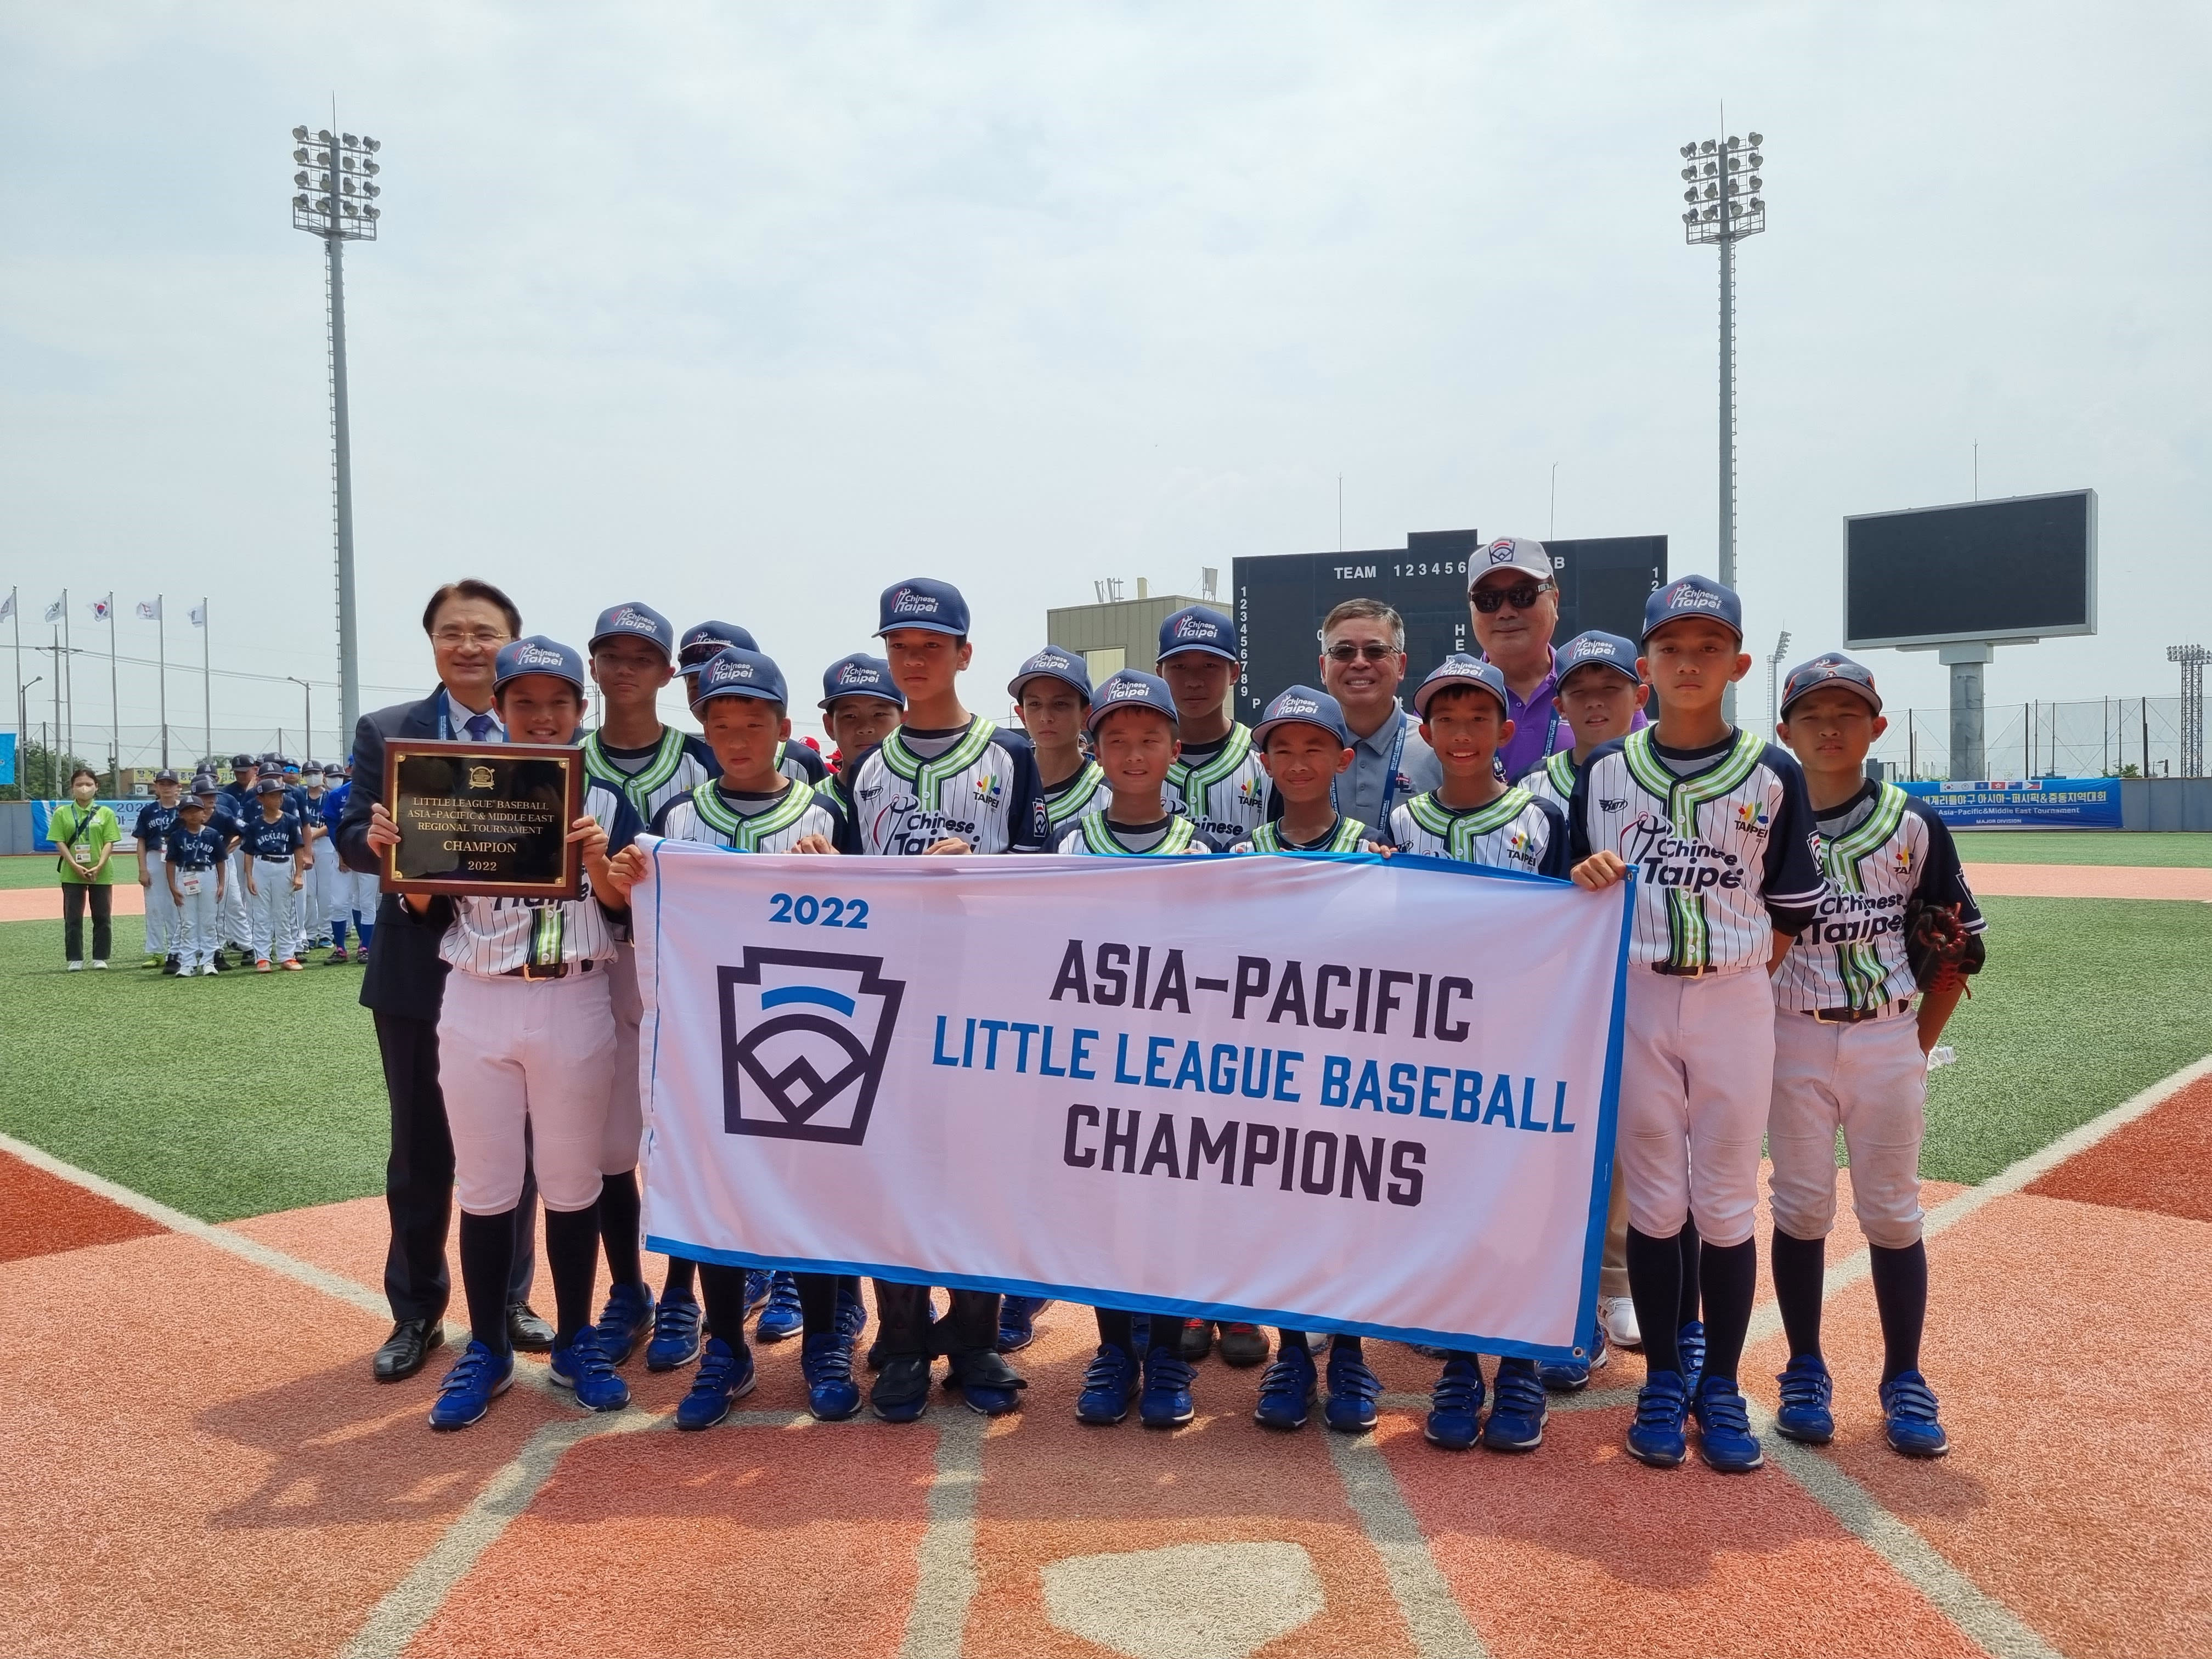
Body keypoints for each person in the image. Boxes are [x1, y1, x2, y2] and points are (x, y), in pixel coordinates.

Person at [1567, 575, 1827, 1474]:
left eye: (1707, 647)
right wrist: (1588, 878)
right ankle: (1664, 1377)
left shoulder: (1773, 771)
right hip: (1635, 992)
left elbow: (1789, 905)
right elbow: (1570, 898)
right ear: (1644, 667)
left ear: (1737, 663)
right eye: (1671, 648)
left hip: (1732, 994)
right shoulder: (1601, 771)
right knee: (1656, 1198)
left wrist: (1738, 968)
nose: (1688, 662)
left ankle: (1719, 1379)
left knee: (1721, 1198)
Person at [362, 636, 645, 1431]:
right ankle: (485, 1347)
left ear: (581, 710)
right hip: (478, 997)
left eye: (559, 702)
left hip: (574, 996)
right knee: (486, 1188)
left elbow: (623, 917)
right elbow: (427, 913)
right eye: (526, 702)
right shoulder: (451, 787)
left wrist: (597, 865)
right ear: (501, 708)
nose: (544, 715)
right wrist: (400, 859)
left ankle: (580, 1341)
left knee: (571, 1183)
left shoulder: (608, 799)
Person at [608, 644, 871, 1427]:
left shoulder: (826, 810)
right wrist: (625, 884)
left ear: (783, 726)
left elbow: (870, 924)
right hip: (708, 1032)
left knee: (815, 1186)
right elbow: (642, 921)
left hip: (811, 1023)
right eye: (719, 723)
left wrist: (840, 875)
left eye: (751, 721)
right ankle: (726, 1345)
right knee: (715, 1186)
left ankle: (827, 1335)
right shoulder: (679, 818)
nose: (735, 736)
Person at [1768, 653, 1982, 1459]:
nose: (1831, 727)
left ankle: (1904, 1378)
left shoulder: (1915, 821)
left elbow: (1962, 947)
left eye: (1848, 713)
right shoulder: (1767, 817)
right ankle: (1804, 1368)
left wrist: (1912, 1047)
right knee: (1799, 1207)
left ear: (1877, 727)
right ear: (1784, 731)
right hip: (1791, 1030)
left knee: (1893, 1210)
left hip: (1886, 1030)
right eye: (1814, 714)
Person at [337, 579, 550, 1385]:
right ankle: (417, 1310)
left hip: (518, 970)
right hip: (418, 974)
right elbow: (353, 834)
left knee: (516, 1149)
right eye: (452, 632)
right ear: (432, 643)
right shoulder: (389, 732)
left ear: (512, 642)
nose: (468, 646)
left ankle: (508, 1304)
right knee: (421, 1151)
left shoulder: (543, 725)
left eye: (484, 633)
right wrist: (381, 840)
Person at [842, 576, 1043, 1423]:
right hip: (890, 1004)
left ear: (964, 654)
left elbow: (1043, 872)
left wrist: (984, 868)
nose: (914, 661)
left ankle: (975, 1338)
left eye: (931, 647)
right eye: (900, 647)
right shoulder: (863, 769)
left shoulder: (1013, 756)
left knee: (978, 1176)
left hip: (984, 1002)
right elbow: (848, 893)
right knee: (895, 1174)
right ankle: (900, 1335)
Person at [1365, 656, 1573, 1452]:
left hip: (1525, 1044)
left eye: (1477, 719)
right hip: (1436, 1048)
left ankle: (1518, 1365)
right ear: (1426, 732)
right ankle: (1459, 1360)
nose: (1461, 733)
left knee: (1520, 1207)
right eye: (1446, 721)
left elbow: (1573, 938)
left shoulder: (1545, 819)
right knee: (1447, 1202)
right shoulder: (1406, 825)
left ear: (1504, 729)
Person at [1052, 670, 1219, 1431]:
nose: (1132, 752)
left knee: (1172, 1208)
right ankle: (1116, 1347)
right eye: (1116, 740)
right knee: (1104, 1210)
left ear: (1174, 750)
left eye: (1149, 738)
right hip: (1094, 1056)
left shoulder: (1209, 849)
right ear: (1094, 751)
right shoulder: (1069, 844)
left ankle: (1168, 1355)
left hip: (1178, 1063)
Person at [1221, 686, 1381, 1431]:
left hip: (1348, 1066)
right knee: (1277, 1212)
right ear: (1263, 762)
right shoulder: (1243, 857)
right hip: (1269, 1070)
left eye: (1314, 746)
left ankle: (1349, 1352)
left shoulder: (1373, 850)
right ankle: (1292, 1352)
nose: (1297, 761)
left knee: (1348, 1212)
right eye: (1281, 748)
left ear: (1343, 758)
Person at [574, 602, 728, 1372]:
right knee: (609, 1149)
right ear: (593, 665)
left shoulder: (705, 759)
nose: (626, 668)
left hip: (685, 981)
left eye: (643, 656)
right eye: (612, 654)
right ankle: (627, 1289)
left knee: (685, 1143)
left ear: (671, 672)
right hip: (593, 971)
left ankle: (679, 1295)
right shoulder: (560, 762)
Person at [1515, 628, 1652, 1386]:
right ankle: (1551, 1286)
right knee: (1554, 1138)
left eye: (1611, 687)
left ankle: (1619, 1280)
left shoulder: (1658, 773)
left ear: (1640, 691)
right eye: (1580, 690)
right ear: (1559, 700)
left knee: (1632, 1137)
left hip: (1644, 983)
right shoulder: (1534, 788)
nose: (1596, 701)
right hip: (1558, 992)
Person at [1316, 599, 1443, 831]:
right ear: (1324, 669)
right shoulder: (1298, 751)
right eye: (1343, 652)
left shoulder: (1438, 748)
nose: (1360, 662)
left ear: (1401, 666)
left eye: (1376, 651)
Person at [1466, 536, 1578, 782]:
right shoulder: (1443, 701)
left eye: (1523, 595)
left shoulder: (1601, 691)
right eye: (1488, 601)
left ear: (1555, 600)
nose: (1506, 612)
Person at [676, 620, 829, 787]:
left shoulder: (800, 761)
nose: (710, 692)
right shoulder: (680, 758)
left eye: (727, 680)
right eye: (698, 685)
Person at [1008, 648, 1107, 838]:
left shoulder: (1111, 790)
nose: (1046, 717)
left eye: (1060, 704)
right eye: (1035, 704)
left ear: (1086, 715)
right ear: (1022, 716)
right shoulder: (1001, 782)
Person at [51, 768, 121, 970]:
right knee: (73, 917)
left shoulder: (105, 813)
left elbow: (110, 841)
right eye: (79, 785)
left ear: (96, 787)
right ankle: (75, 958)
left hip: (101, 871)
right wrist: (73, 864)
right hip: (72, 872)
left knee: (102, 916)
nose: (84, 788)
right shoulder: (62, 813)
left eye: (89, 784)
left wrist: (99, 865)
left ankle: (100, 957)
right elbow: (59, 841)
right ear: (72, 788)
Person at [241, 775, 309, 971]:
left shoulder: (290, 820)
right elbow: (248, 853)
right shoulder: (254, 825)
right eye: (272, 796)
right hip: (262, 865)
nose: (278, 799)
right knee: (260, 914)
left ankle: (287, 955)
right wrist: (250, 876)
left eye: (280, 795)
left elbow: (298, 848)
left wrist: (298, 874)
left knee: (284, 913)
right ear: (260, 799)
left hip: (284, 865)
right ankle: (262, 957)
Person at [817, 653, 905, 798]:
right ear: (830, 726)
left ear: (904, 722)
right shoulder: (810, 807)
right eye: (850, 716)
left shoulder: (923, 797)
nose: (865, 729)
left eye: (879, 714)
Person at [163, 792, 228, 976]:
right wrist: (173, 888)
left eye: (197, 811)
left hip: (208, 875)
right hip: (185, 875)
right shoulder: (177, 836)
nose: (193, 815)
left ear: (203, 814)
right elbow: (170, 862)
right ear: (181, 815)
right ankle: (188, 962)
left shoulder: (212, 835)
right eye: (188, 811)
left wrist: (222, 884)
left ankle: (209, 961)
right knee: (188, 922)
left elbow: (221, 861)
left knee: (209, 921)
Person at [320, 761, 374, 964]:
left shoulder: (377, 792)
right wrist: (342, 853)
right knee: (339, 903)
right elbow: (333, 826)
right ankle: (340, 948)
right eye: (355, 765)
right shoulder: (337, 795)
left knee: (367, 902)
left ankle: (366, 946)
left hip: (369, 854)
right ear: (350, 769)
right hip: (343, 855)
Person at [136, 770, 186, 972]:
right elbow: (141, 841)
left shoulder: (185, 809)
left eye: (170, 784)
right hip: (155, 857)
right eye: (162, 784)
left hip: (179, 859)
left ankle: (179, 950)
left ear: (178, 787)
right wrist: (142, 869)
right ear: (155, 787)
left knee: (179, 904)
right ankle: (157, 952)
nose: (166, 787)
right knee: (155, 907)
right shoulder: (148, 811)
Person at [217, 753, 260, 964]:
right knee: (234, 896)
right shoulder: (227, 794)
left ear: (255, 770)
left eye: (245, 771)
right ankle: (231, 939)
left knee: (251, 893)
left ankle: (252, 939)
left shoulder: (262, 790)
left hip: (258, 845)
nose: (241, 775)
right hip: (235, 849)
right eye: (237, 772)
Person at [300, 765, 334, 952]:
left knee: (326, 891)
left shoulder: (330, 796)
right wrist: (306, 844)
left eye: (316, 773)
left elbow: (332, 824)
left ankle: (326, 934)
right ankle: (311, 934)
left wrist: (310, 838)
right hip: (304, 846)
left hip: (325, 843)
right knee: (309, 892)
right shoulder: (298, 796)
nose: (313, 777)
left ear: (323, 775)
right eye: (309, 774)